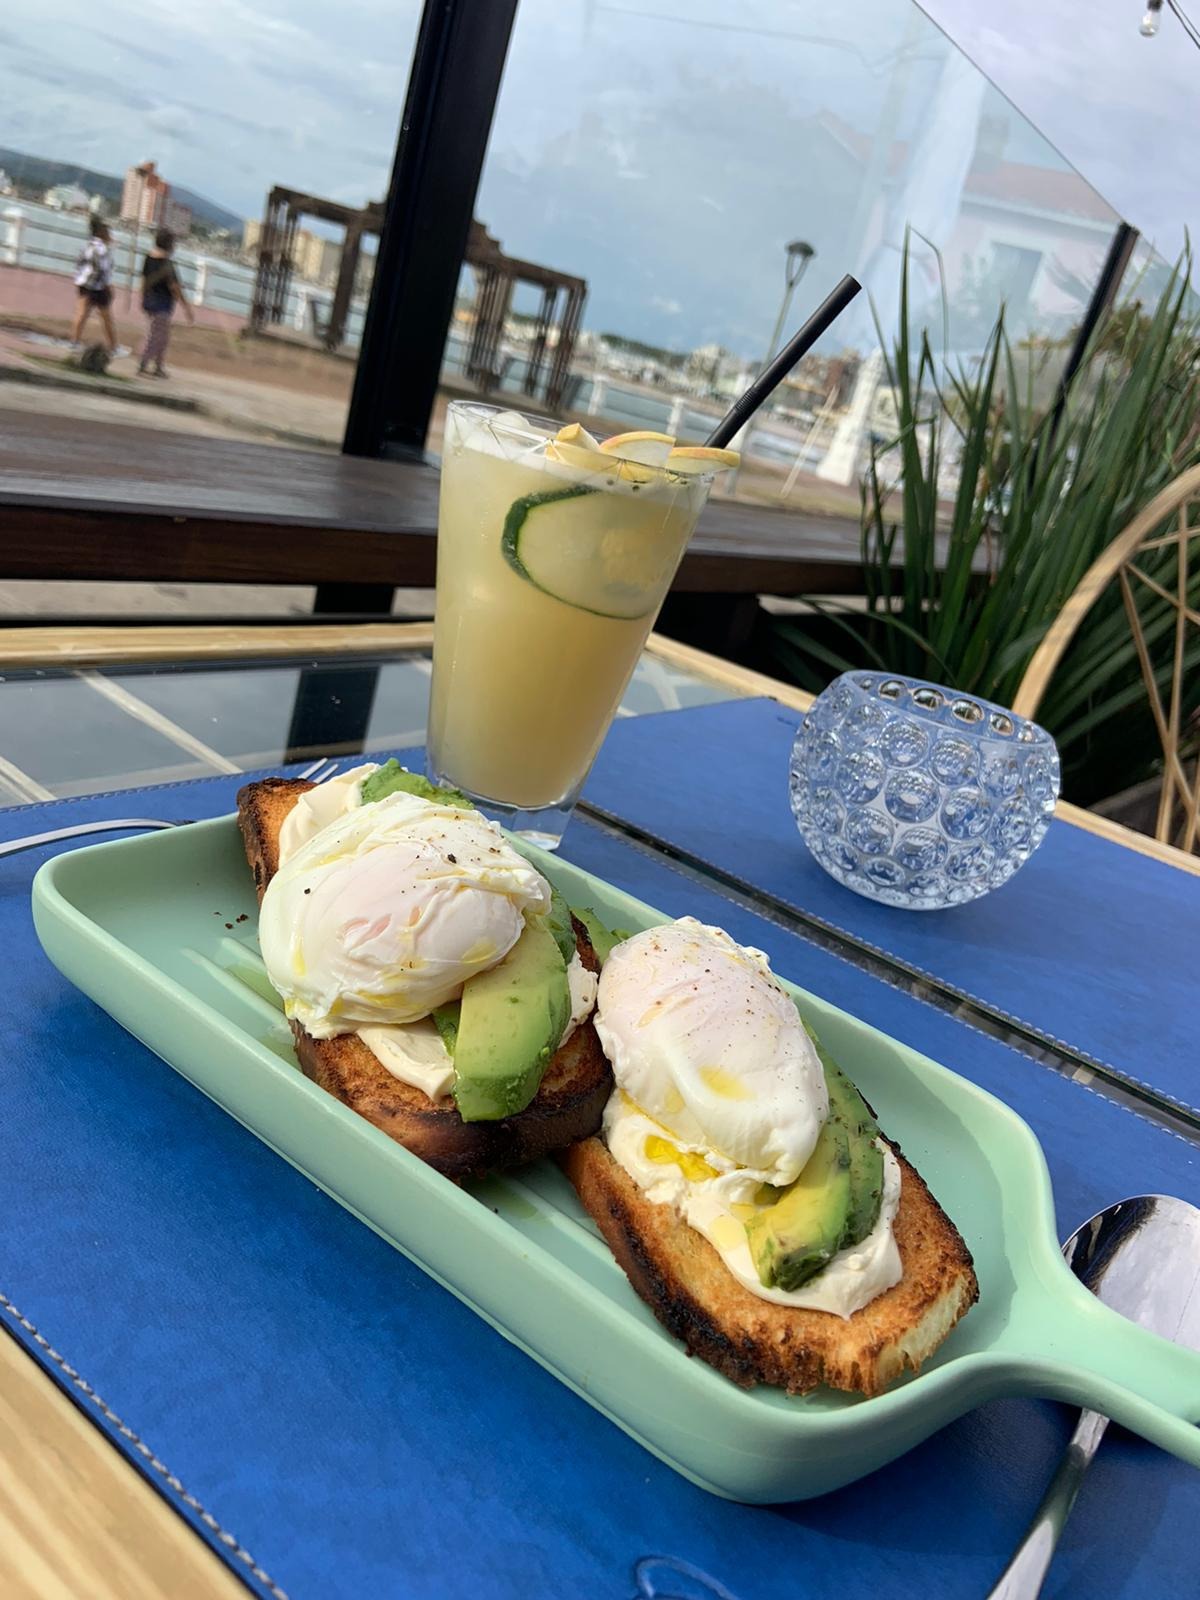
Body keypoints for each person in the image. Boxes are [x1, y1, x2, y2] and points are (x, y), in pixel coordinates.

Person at [138, 229, 194, 377]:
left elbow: (144, 280)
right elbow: (175, 287)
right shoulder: (167, 264)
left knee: (160, 335)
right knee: (157, 336)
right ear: (169, 245)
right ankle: (144, 363)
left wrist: (142, 296)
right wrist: (186, 307)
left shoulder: (148, 258)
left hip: (150, 299)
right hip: (162, 303)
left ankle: (158, 366)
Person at [71, 218, 116, 351]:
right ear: (102, 233)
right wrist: (108, 287)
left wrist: (79, 278)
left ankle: (75, 341)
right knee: (106, 317)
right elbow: (104, 270)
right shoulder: (103, 250)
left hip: (84, 283)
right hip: (98, 286)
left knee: (81, 314)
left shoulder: (88, 246)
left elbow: (79, 264)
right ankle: (113, 346)